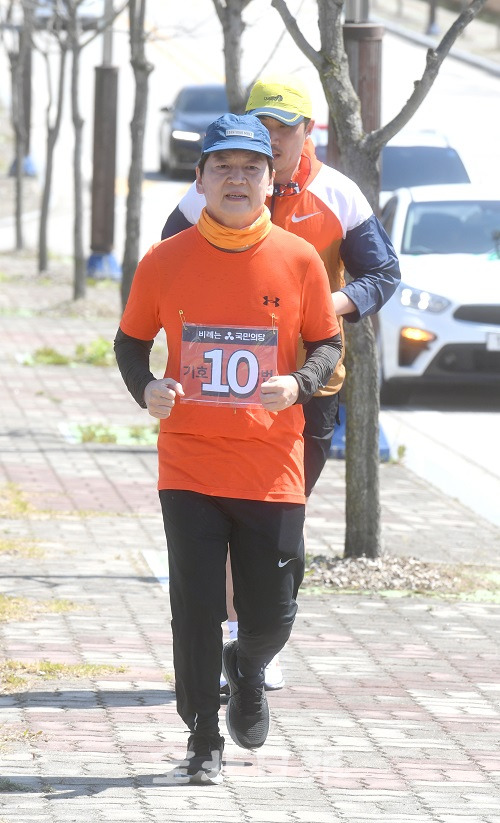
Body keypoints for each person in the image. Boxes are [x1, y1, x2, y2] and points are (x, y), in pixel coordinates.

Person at [114, 113, 342, 784]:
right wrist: (147, 387)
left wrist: (297, 382)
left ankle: (246, 666)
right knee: (195, 604)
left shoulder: (299, 260)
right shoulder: (165, 260)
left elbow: (327, 342)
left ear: (273, 181)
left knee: (273, 610)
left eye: (251, 168)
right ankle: (202, 734)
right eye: (223, 167)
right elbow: (131, 342)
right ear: (201, 178)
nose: (236, 179)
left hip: (271, 465)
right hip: (188, 462)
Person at [161, 74, 401, 691]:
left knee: (277, 520)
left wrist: (328, 304)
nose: (267, 141)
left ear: (307, 133)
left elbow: (385, 273)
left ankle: (260, 635)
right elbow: (170, 260)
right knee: (224, 512)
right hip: (219, 391)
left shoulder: (339, 194)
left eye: (280, 130)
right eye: (258, 127)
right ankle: (239, 636)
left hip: (311, 385)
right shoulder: (221, 185)